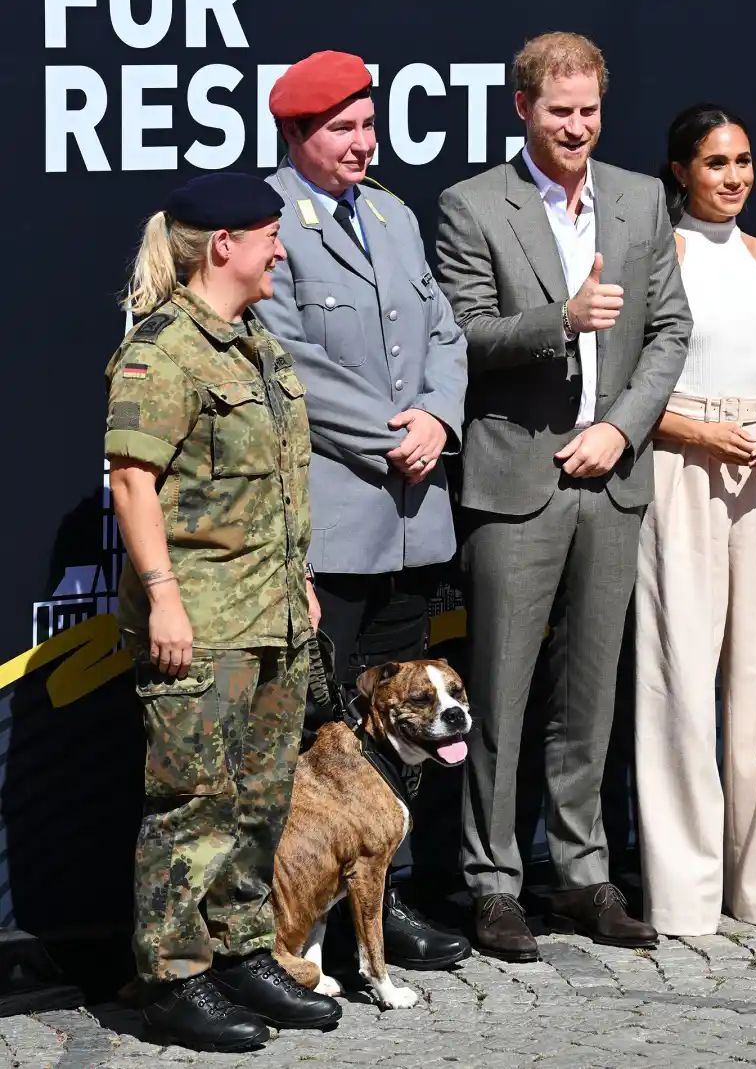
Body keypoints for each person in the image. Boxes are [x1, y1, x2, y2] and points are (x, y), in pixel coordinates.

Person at [435, 32, 693, 960]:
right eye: (559, 111)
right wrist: (562, 321)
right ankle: (493, 883)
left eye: (588, 111)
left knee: (589, 694)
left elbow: (670, 330)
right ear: (522, 109)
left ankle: (581, 875)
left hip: (613, 477)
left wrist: (621, 427)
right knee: (498, 696)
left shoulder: (638, 197)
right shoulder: (472, 206)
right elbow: (461, 333)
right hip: (516, 484)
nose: (576, 127)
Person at [105, 172, 341, 1052]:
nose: (282, 248)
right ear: (226, 245)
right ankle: (173, 978)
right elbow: (132, 480)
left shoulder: (255, 343)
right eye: (271, 235)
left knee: (260, 798)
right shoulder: (163, 351)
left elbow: (276, 483)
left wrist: (299, 579)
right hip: (200, 622)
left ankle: (243, 953)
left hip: (271, 615)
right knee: (192, 803)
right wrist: (164, 599)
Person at [252, 51, 471, 971]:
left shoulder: (391, 211)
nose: (362, 143)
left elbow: (445, 332)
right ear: (297, 134)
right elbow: (290, 360)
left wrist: (439, 414)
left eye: (368, 125)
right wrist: (394, 431)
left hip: (413, 517)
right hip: (340, 521)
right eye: (341, 129)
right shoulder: (267, 220)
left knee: (406, 732)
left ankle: (390, 900)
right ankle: (298, 925)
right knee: (324, 742)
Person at [634, 104, 756, 936]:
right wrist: (700, 431)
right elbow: (627, 390)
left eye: (741, 160)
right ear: (680, 171)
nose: (734, 176)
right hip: (681, 467)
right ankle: (684, 895)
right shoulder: (654, 256)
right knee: (679, 684)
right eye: (715, 163)